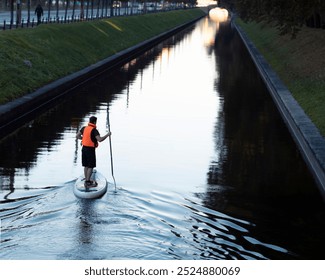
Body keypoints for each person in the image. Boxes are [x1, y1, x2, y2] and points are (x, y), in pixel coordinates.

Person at [76, 116, 111, 187]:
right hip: (90, 150)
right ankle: (88, 182)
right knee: (91, 166)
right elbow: (100, 139)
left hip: (84, 149)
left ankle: (87, 179)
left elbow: (77, 136)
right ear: (95, 122)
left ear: (89, 121)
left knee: (85, 165)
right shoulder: (94, 130)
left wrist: (83, 139)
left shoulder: (84, 128)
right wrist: (108, 135)